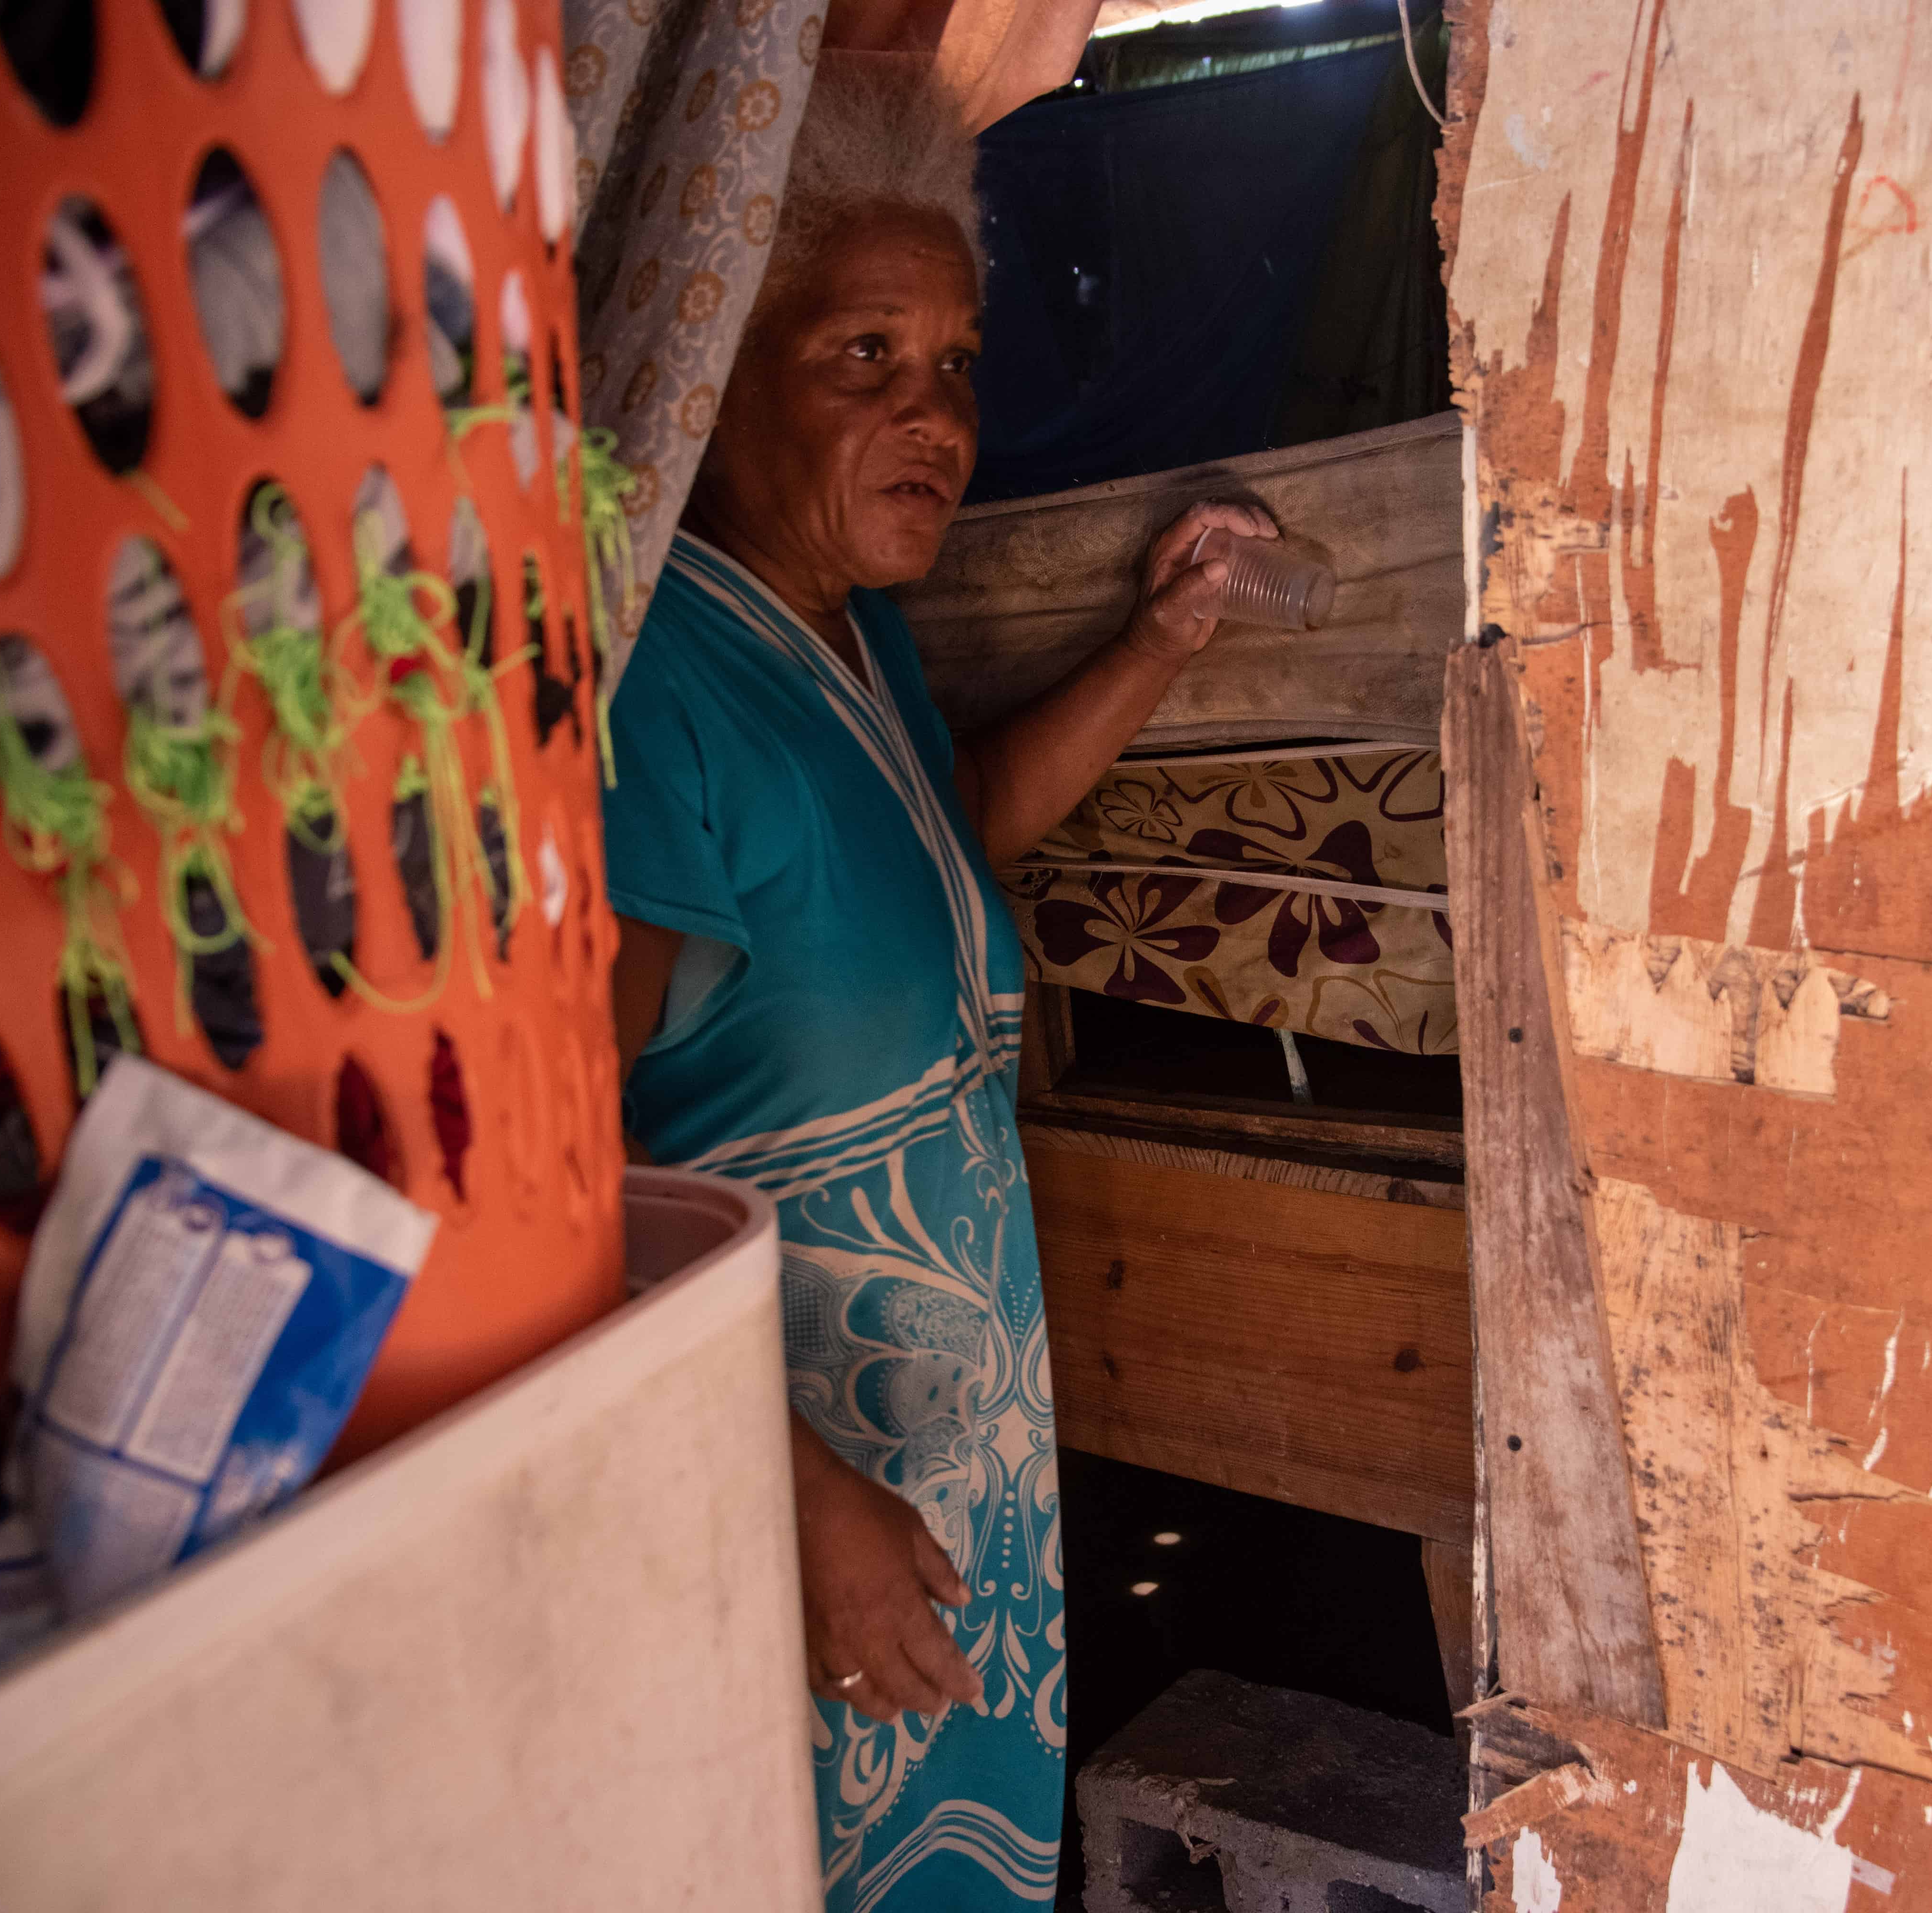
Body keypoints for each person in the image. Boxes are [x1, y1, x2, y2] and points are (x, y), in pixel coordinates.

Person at [599, 55, 1275, 1913]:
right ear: (716, 373)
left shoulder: (847, 638)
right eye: (864, 359)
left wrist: (1162, 637)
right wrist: (794, 1492)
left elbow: (938, 839)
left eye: (959, 362)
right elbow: (536, 1164)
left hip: (940, 1501)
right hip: (787, 1518)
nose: (938, 414)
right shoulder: (655, 695)